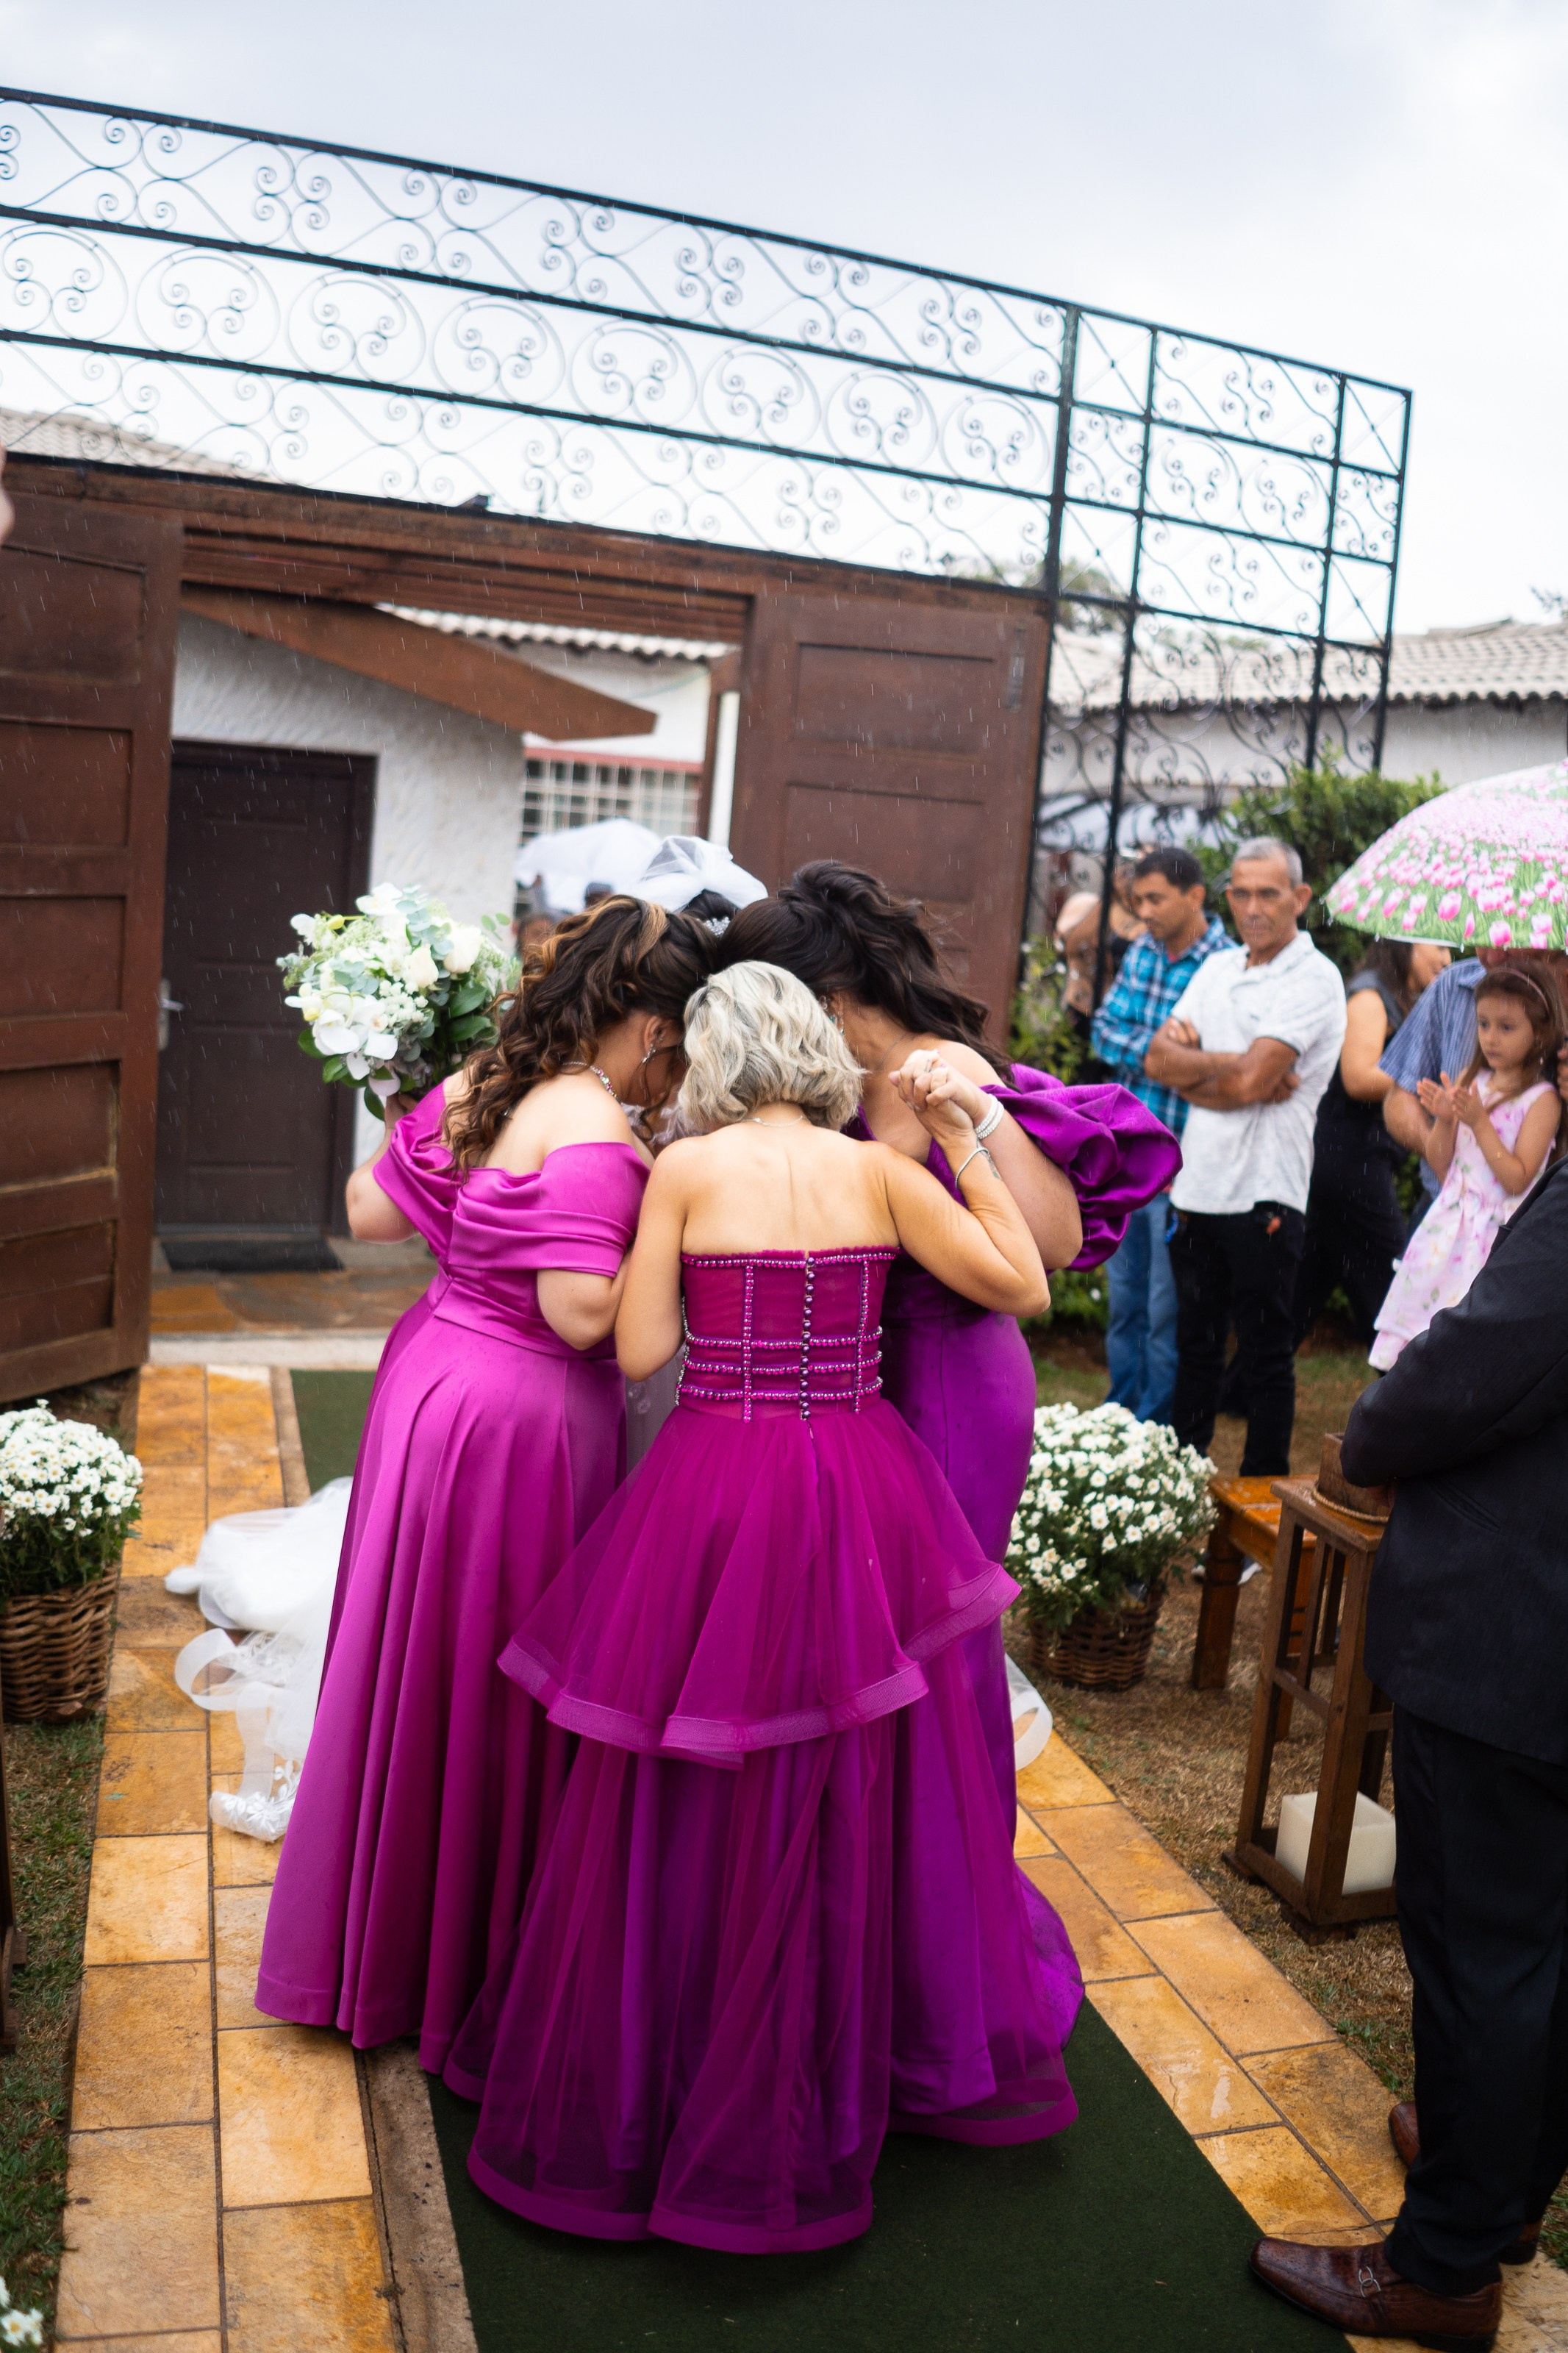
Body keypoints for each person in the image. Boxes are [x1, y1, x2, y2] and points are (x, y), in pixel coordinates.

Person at [446, 964, 1078, 2251]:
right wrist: (960, 1132)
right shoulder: (877, 1173)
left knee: (690, 1767)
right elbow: (1028, 1287)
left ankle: (669, 2069)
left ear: (716, 1058)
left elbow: (634, 1355)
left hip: (717, 1484)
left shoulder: (685, 1173)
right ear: (812, 1051)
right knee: (849, 1768)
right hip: (855, 1479)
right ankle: (833, 2074)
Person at [254, 897, 713, 2071]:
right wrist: (679, 1222)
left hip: (429, 1380)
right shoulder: (605, 1137)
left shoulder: (489, 1080)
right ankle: (450, 1969)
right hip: (519, 1419)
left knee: (408, 1664)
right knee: (482, 1677)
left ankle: (367, 1944)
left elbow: (366, 1212)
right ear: (652, 1022)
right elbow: (582, 1314)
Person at [715, 865, 1179, 1843]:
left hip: (954, 1381)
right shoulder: (816, 1086)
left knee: (935, 1635)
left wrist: (973, 1123)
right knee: (847, 1633)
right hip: (849, 1387)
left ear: (832, 1001)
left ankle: (936, 1867)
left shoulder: (951, 1069)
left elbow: (1050, 1247)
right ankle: (863, 1855)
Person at [1250, 1149, 1568, 2347]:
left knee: (1483, 1945)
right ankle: (1499, 2189)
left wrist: (1368, 1435)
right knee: (1542, 1938)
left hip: (1520, 1625)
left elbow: (1488, 1355)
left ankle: (1442, 2265)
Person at [1145, 838, 1346, 1475]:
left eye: (1269, 893)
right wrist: (1242, 1068)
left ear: (1300, 897)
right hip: (1195, 1190)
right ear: (1227, 896)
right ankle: (1178, 1497)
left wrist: (1216, 1075)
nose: (1254, 907)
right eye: (1242, 893)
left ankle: (1261, 1502)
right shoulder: (1217, 969)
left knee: (1264, 1356)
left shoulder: (1315, 977)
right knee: (1195, 1352)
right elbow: (1156, 1061)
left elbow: (1247, 1084)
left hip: (1265, 1194)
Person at [1089, 846, 1228, 1421]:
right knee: (1126, 1304)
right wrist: (1161, 1054)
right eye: (1137, 899)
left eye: (1154, 899)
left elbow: (1221, 1060)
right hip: (1126, 1156)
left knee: (1165, 1309)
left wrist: (1159, 1055)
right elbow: (1102, 1031)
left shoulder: (1225, 963)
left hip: (1182, 1160)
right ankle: (1119, 1412)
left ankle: (1155, 1427)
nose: (1143, 912)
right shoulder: (1143, 951)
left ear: (1194, 896)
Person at [1369, 964, 1562, 1368]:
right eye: (1484, 1024)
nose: (1491, 1038)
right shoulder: (1473, 1081)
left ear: (1539, 1034)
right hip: (1445, 1230)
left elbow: (1516, 1178)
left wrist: (1478, 1123)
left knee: (1464, 1346)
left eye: (1507, 1027)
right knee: (1416, 1341)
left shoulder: (1542, 1100)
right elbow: (1443, 1165)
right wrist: (1444, 1118)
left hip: (1491, 1238)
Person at [1292, 938, 1450, 1348]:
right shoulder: (1369, 995)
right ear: (1405, 945)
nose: (1447, 960)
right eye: (1440, 947)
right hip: (1348, 1161)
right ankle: (1403, 1379)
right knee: (1394, 1282)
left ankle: (1240, 1390)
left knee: (1307, 1284)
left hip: (1351, 1160)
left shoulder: (1401, 997)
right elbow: (1358, 1077)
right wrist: (1427, 1074)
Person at [1055, 881, 1144, 1076]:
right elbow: (1069, 946)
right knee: (1067, 1076)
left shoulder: (1148, 921)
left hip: (1122, 1022)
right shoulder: (1093, 906)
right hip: (1082, 1011)